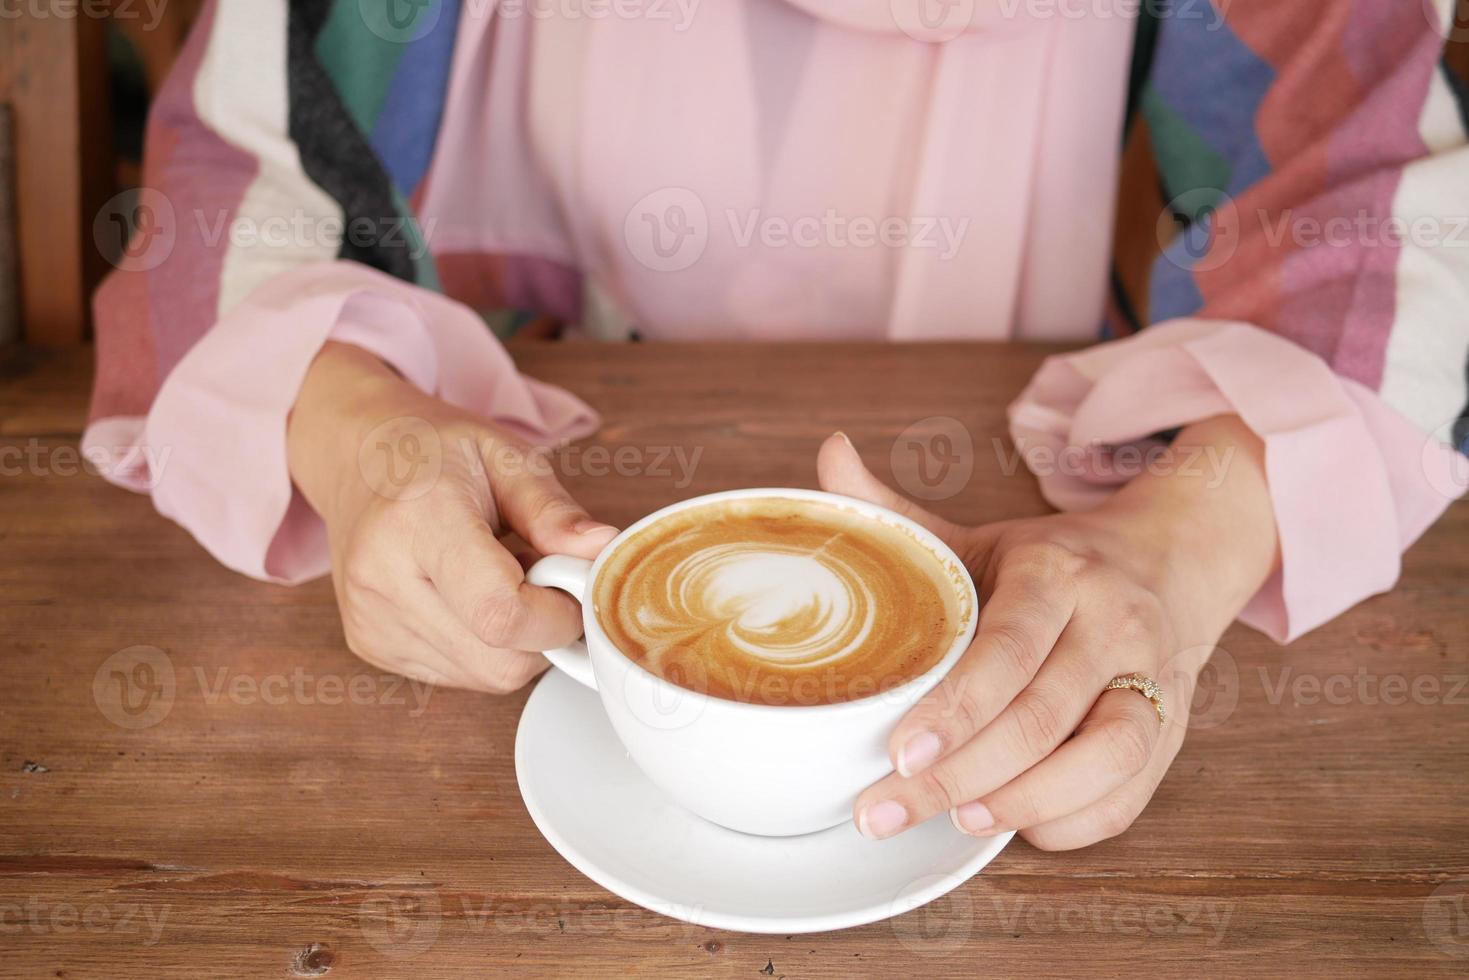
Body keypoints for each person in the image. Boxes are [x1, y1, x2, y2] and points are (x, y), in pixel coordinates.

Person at [86, 0, 1468, 850]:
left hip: (1015, 492)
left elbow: (1394, 201)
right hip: (524, 461)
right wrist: (356, 432)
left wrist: (1179, 548)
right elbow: (231, 176)